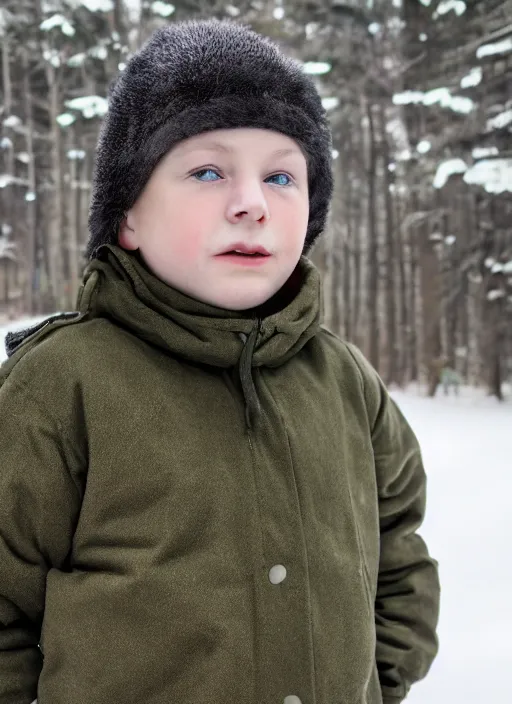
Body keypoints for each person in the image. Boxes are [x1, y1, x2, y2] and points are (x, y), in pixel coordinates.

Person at [0, 19, 440, 704]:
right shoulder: (62, 386)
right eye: (207, 170)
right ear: (128, 217)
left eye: (282, 176)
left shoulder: (345, 380)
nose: (251, 204)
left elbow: (398, 550)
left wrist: (377, 683)